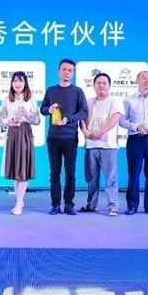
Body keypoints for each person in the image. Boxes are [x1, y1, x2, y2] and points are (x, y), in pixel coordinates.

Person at [40, 59, 88, 215]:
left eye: (70, 70)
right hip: (53, 138)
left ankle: (68, 204)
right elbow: (42, 109)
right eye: (64, 69)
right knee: (54, 173)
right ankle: (55, 204)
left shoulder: (78, 91)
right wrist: (49, 109)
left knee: (70, 173)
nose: (67, 72)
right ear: (59, 71)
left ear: (73, 73)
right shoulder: (51, 90)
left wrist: (70, 119)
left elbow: (84, 112)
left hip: (70, 138)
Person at [119, 70, 148, 215]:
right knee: (134, 173)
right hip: (136, 139)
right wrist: (136, 126)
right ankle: (132, 206)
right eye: (144, 78)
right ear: (137, 81)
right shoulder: (128, 100)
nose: (147, 81)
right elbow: (122, 120)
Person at [80, 73, 124, 216]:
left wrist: (100, 132)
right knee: (91, 178)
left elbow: (115, 119)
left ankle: (113, 206)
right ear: (94, 85)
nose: (101, 85)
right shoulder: (88, 102)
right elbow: (82, 120)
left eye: (104, 83)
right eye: (98, 83)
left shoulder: (115, 101)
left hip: (108, 146)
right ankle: (91, 205)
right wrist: (85, 132)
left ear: (109, 85)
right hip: (91, 145)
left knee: (111, 178)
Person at [0, 71, 40, 215]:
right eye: (15, 81)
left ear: (25, 83)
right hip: (12, 135)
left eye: (20, 81)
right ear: (11, 83)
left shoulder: (31, 99)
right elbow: (1, 120)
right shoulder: (6, 100)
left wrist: (27, 115)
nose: (17, 84)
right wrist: (9, 121)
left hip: (25, 134)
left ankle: (19, 203)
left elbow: (37, 120)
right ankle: (19, 201)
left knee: (22, 170)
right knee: (15, 170)